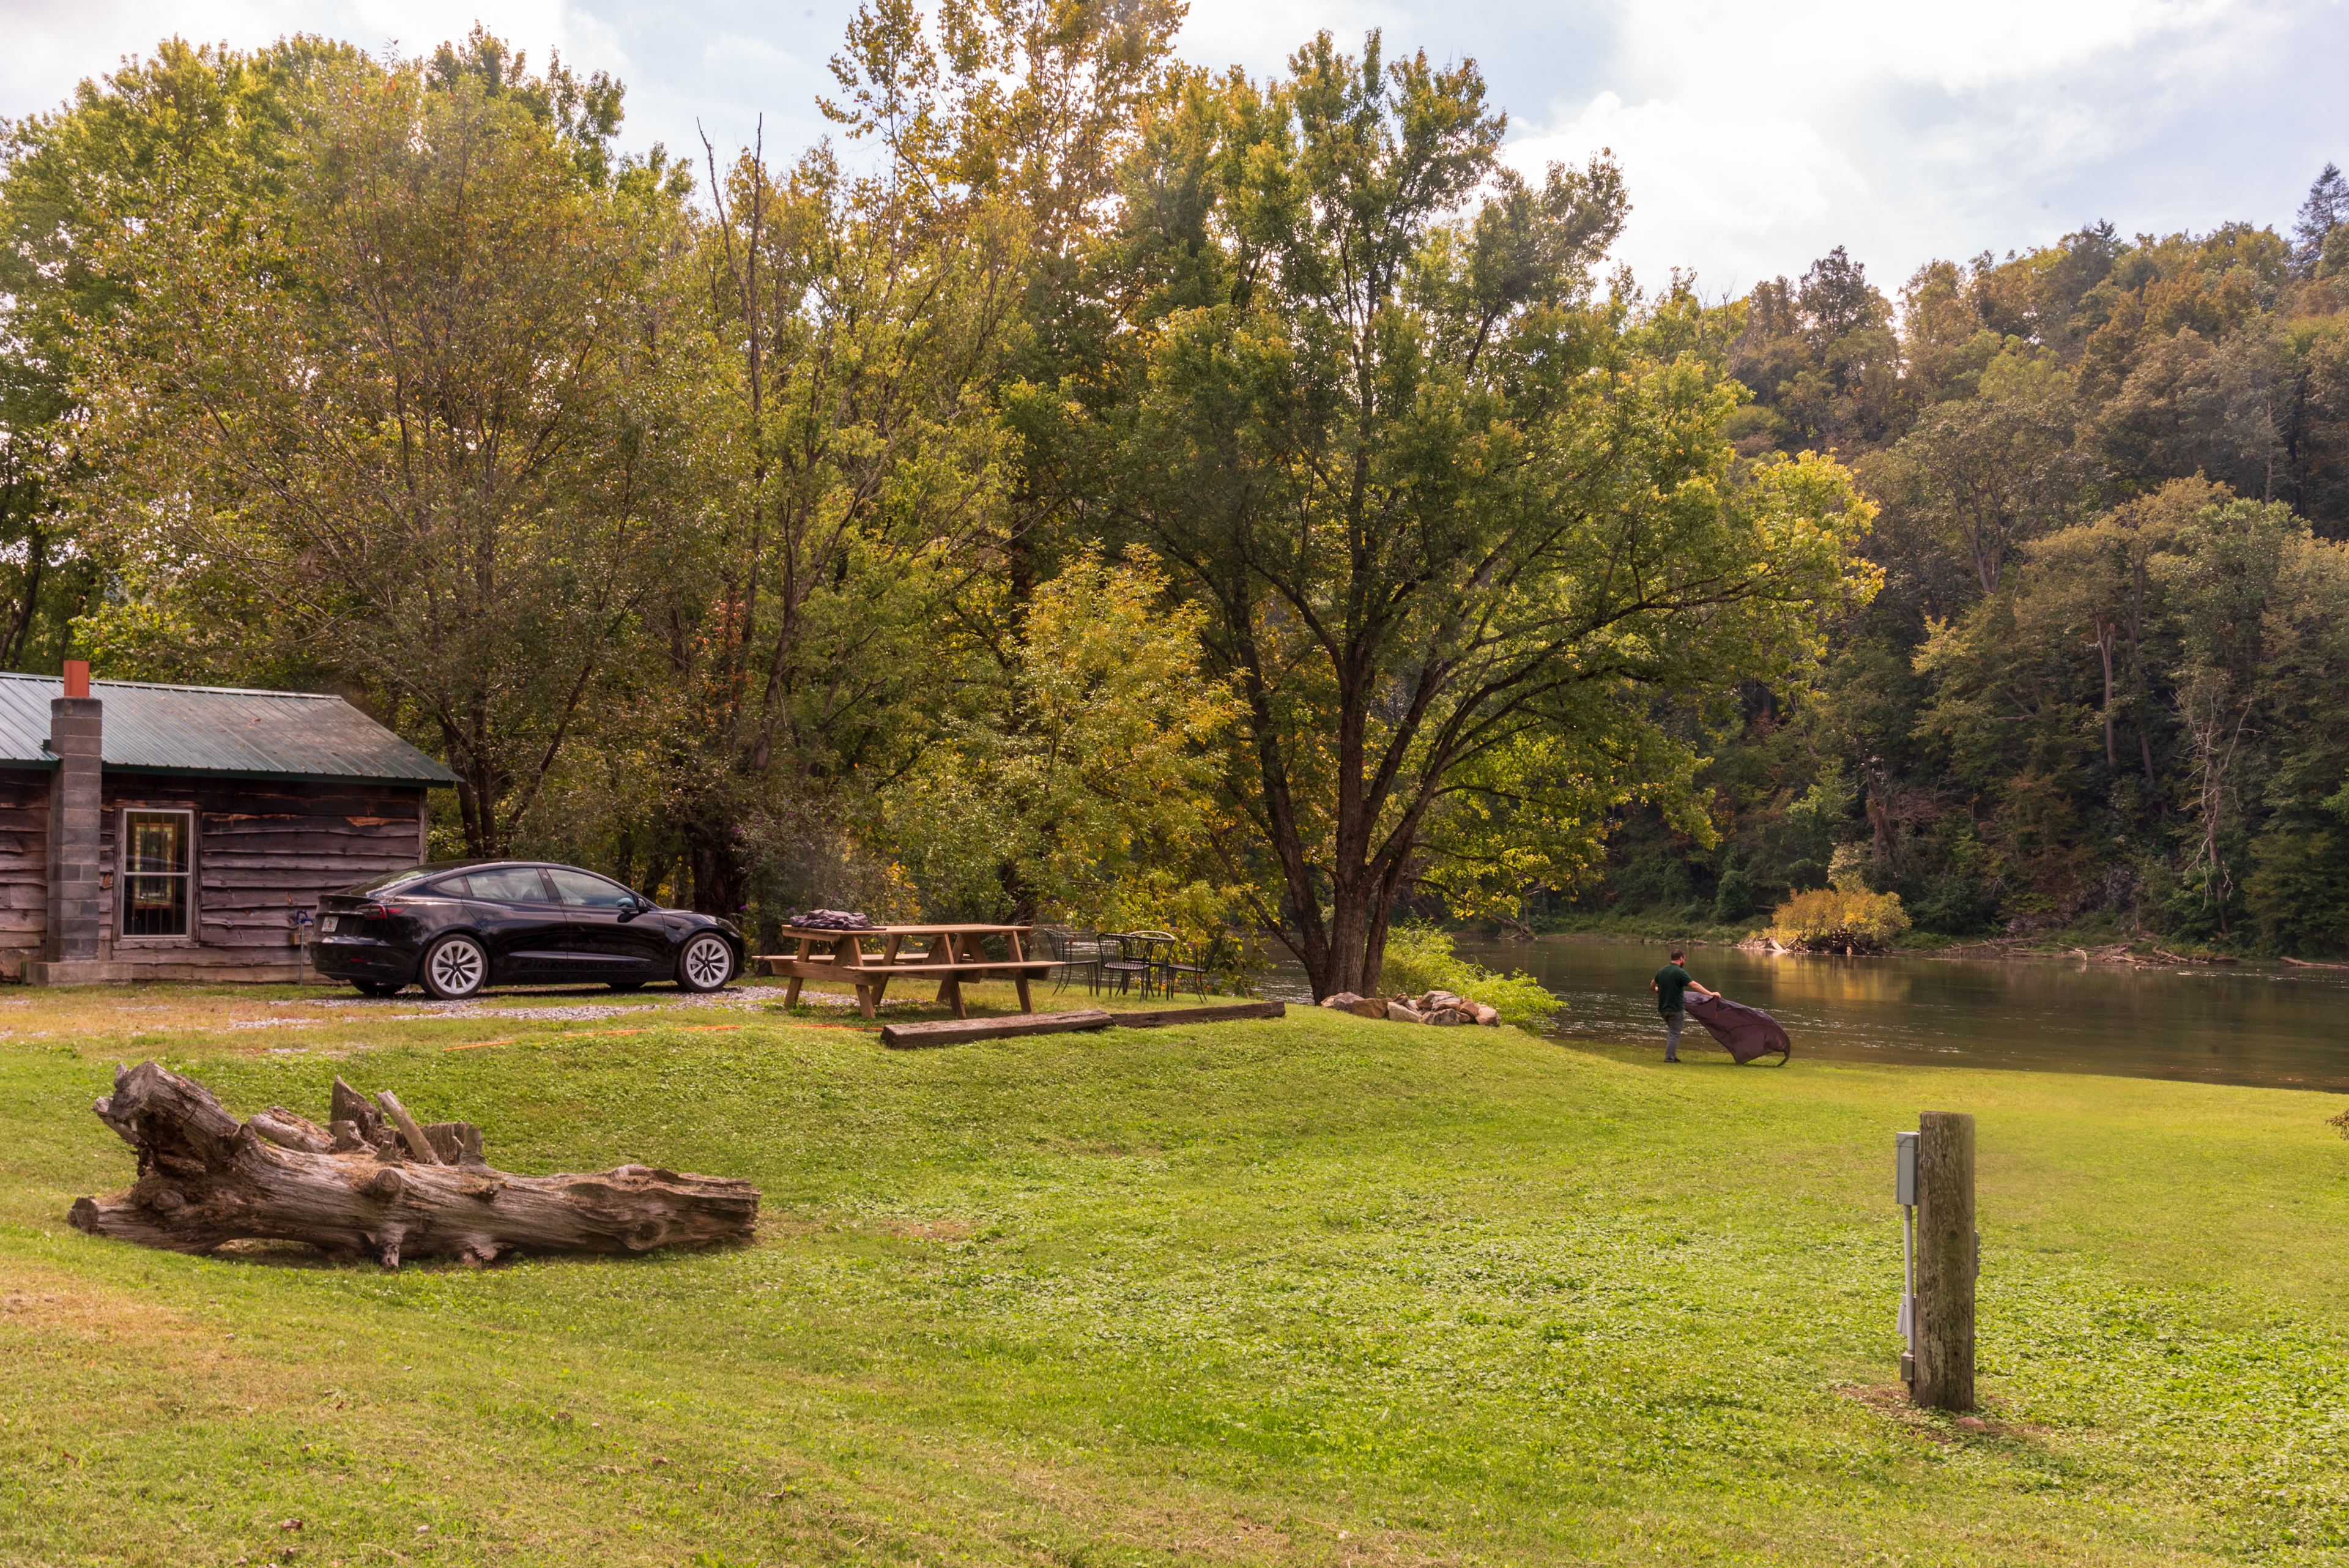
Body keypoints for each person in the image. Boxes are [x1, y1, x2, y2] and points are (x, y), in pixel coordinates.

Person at [1650, 947, 1716, 1063]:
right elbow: (1694, 985)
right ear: (1681, 959)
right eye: (1684, 959)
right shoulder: (1680, 972)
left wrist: (1655, 989)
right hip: (1676, 1009)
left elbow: (1652, 983)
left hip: (1663, 1009)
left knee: (1672, 1032)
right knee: (1675, 1033)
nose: (1684, 961)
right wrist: (1710, 994)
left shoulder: (1663, 970)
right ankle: (1670, 1058)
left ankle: (1672, 1055)